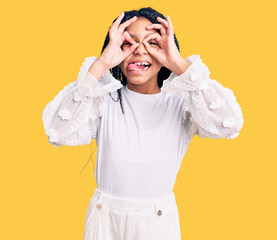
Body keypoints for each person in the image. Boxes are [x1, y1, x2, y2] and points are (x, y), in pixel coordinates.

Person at [41, 7, 244, 240]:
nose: (139, 51)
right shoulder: (104, 99)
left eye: (152, 43)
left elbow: (230, 124)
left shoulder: (181, 103)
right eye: (128, 43)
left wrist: (177, 62)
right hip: (104, 221)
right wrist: (101, 65)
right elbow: (56, 132)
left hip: (157, 224)